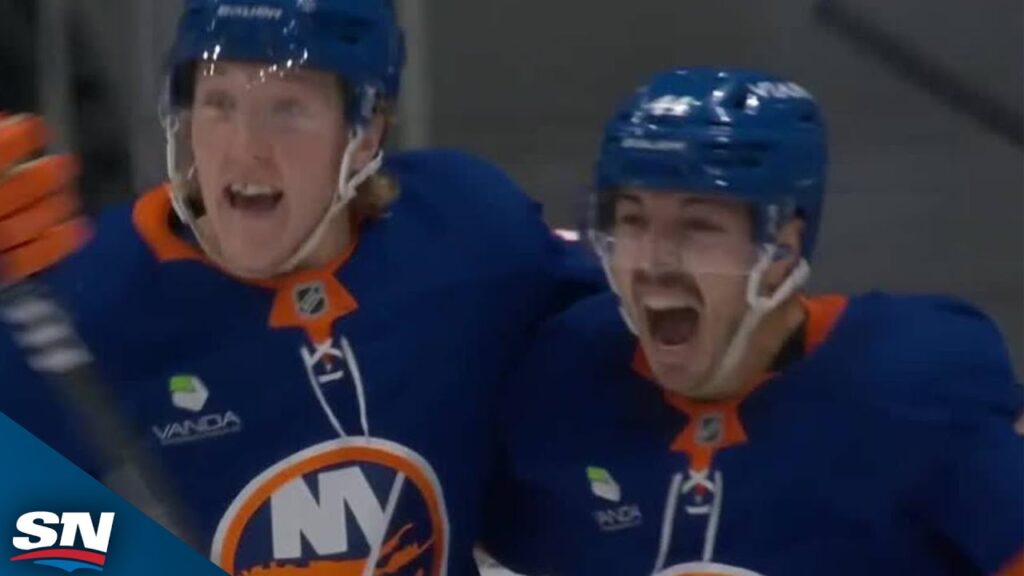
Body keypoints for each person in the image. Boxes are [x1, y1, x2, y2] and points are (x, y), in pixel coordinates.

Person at [0, 1, 598, 574]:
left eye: (286, 108)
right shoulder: (81, 302)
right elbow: (25, 530)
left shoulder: (470, 241)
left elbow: (628, 368)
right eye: (218, 103)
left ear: (365, 131)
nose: (245, 150)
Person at [482, 67, 1024, 576]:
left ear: (782, 248)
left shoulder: (913, 386)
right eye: (633, 220)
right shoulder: (561, 379)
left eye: (697, 227)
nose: (653, 263)